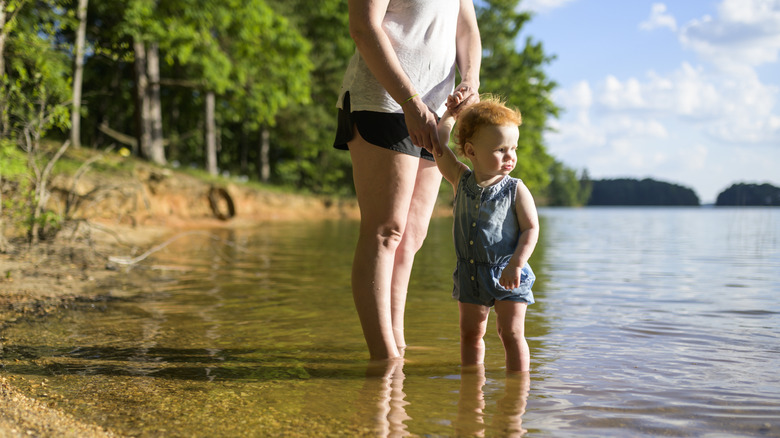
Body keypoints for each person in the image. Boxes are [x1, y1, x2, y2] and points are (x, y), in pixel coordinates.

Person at [334, 0, 482, 361]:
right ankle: (383, 358)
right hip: (385, 101)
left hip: (435, 109)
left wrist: (471, 81)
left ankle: (396, 344)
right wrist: (410, 101)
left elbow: (467, 30)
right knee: (386, 231)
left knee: (411, 237)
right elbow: (363, 27)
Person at [435, 95, 539, 373]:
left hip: (509, 271)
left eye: (513, 148)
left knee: (511, 333)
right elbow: (438, 145)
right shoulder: (461, 179)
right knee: (470, 334)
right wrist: (450, 115)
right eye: (501, 149)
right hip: (471, 274)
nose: (510, 157)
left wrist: (516, 264)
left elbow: (531, 228)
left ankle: (517, 389)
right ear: (471, 151)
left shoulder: (516, 189)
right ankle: (472, 388)